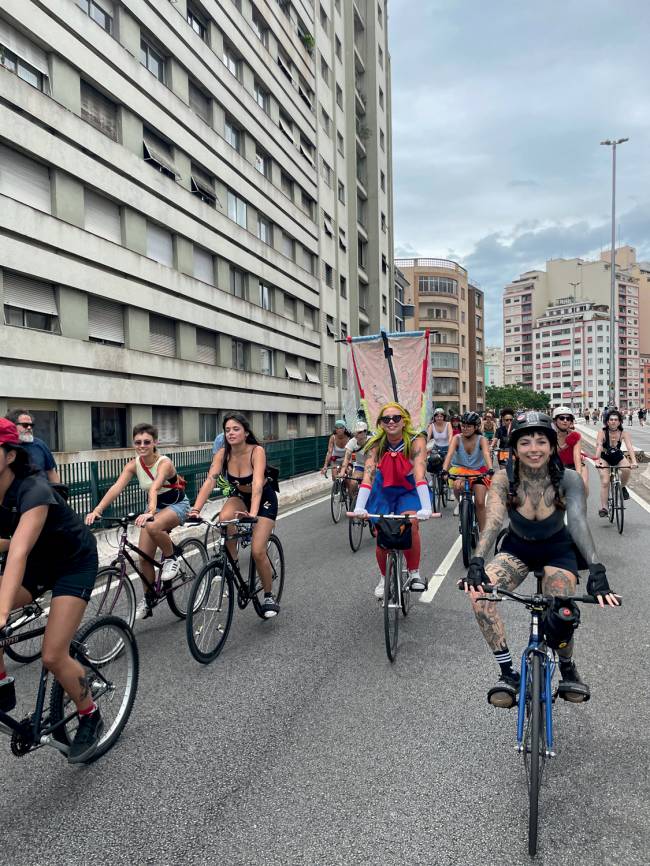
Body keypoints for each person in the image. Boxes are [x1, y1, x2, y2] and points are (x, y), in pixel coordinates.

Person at [459, 411, 619, 708]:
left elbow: (579, 523)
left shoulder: (569, 479)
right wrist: (477, 561)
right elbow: (493, 522)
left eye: (541, 441)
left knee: (561, 613)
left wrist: (596, 568)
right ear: (515, 449)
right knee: (479, 594)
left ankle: (568, 666)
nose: (534, 448)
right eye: (526, 442)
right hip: (517, 548)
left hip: (558, 549)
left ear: (551, 446)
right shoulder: (503, 480)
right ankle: (508, 672)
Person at [0, 420, 103, 762]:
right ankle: (2, 684)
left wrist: (2, 613)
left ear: (9, 455)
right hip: (37, 562)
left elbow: (17, 553)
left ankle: (90, 714)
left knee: (53, 655)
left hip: (73, 562)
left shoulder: (34, 491)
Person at [85, 424, 190, 618]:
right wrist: (97, 510)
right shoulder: (134, 465)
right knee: (144, 557)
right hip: (156, 509)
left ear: (155, 443)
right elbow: (116, 487)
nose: (142, 446)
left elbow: (154, 488)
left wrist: (150, 511)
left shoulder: (164, 462)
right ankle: (149, 598)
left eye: (147, 442)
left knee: (152, 525)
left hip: (176, 505)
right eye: (138, 442)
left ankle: (171, 557)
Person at [189, 413, 280, 618]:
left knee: (257, 551)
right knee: (224, 518)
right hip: (239, 496)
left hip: (263, 499)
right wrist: (195, 510)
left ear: (246, 432)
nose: (231, 433)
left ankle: (268, 595)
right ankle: (233, 561)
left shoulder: (256, 451)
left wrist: (253, 514)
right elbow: (210, 481)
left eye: (235, 429)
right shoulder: (222, 454)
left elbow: (257, 484)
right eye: (227, 430)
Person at [352, 403, 431, 597]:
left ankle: (414, 573)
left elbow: (420, 472)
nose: (391, 422)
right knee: (382, 532)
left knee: (410, 524)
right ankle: (383, 577)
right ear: (380, 423)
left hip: (409, 491)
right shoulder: (375, 444)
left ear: (404, 421)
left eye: (396, 418)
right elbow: (368, 475)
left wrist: (426, 507)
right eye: (386, 419)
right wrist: (359, 506)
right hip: (383, 492)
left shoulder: (416, 440)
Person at [441, 411, 492, 524]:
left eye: (468, 426)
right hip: (459, 470)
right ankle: (462, 504)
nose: (465, 428)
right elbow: (449, 454)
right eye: (463, 425)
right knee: (458, 486)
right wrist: (444, 469)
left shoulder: (482, 439)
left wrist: (491, 469)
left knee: (479, 502)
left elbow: (486, 454)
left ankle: (483, 535)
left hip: (478, 471)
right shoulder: (457, 438)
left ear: (476, 427)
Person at [594, 409, 638, 517]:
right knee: (605, 481)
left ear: (619, 422)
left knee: (627, 469)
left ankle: (622, 487)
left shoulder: (623, 433)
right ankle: (604, 507)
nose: (613, 422)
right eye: (611, 420)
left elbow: (629, 447)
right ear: (607, 422)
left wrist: (634, 461)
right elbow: (599, 446)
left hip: (617, 456)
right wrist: (597, 460)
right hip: (605, 457)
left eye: (616, 420)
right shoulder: (602, 432)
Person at [4, 410, 60, 483]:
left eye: (31, 425)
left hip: (41, 492)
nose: (29, 428)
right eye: (25, 425)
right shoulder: (4, 447)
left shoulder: (40, 444)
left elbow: (51, 472)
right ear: (12, 425)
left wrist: (58, 492)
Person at [553, 406, 589, 496]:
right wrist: (565, 445)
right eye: (561, 418)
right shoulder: (549, 435)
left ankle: (581, 507)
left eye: (568, 418)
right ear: (555, 421)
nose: (565, 421)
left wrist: (578, 475)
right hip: (555, 467)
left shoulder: (575, 435)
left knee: (583, 485)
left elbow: (576, 456)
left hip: (573, 465)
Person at [340, 421, 370, 501]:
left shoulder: (372, 441)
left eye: (359, 432)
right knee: (353, 483)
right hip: (360, 466)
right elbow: (346, 457)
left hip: (372, 467)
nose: (356, 434)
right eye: (355, 432)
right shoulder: (352, 441)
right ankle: (353, 502)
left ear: (365, 432)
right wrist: (342, 471)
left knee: (371, 485)